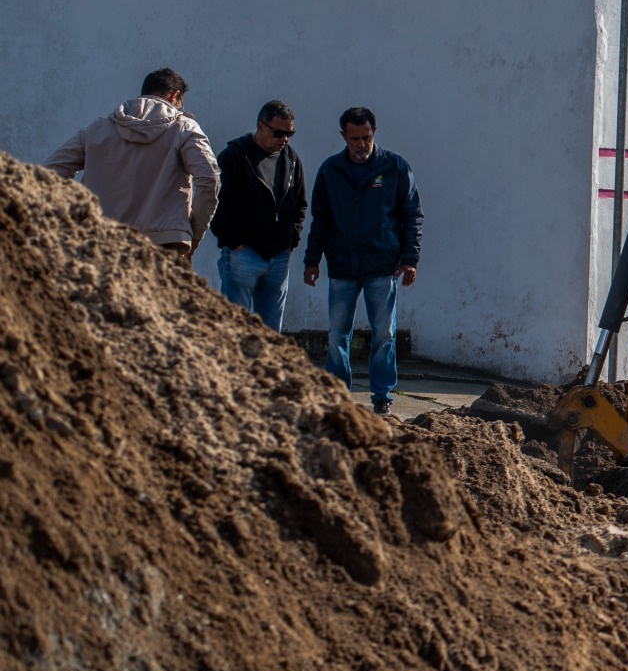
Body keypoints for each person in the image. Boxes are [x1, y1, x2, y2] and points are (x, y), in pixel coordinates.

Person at [303, 107, 420, 414]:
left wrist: (410, 258)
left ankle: (382, 396)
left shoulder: (394, 167)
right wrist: (312, 260)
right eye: (354, 138)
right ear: (344, 136)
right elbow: (320, 220)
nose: (361, 144)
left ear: (374, 133)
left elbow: (411, 216)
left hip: (382, 267)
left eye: (366, 137)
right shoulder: (331, 171)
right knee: (337, 334)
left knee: (385, 334)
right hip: (342, 267)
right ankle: (338, 394)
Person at [44, 67, 219, 258]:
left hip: (101, 243)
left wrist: (73, 219)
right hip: (163, 245)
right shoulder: (184, 128)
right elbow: (209, 178)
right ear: (174, 95)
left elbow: (50, 172)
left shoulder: (96, 129)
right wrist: (195, 231)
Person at [210, 100, 307, 330]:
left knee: (271, 332)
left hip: (279, 255)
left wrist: (291, 239)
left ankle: (266, 368)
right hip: (243, 254)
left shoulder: (291, 159)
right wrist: (232, 241)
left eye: (289, 133)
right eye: (279, 132)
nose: (284, 138)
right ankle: (236, 367)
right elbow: (215, 201)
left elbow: (300, 204)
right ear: (261, 126)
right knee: (236, 327)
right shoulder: (235, 155)